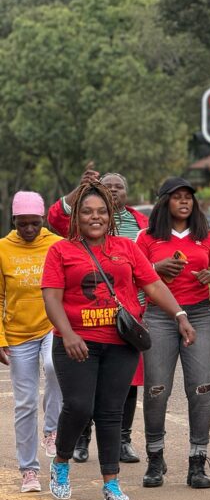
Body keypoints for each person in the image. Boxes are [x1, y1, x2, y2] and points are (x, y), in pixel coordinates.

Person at [41, 181, 195, 500]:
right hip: (76, 343)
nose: (94, 217)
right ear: (76, 217)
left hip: (121, 342)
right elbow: (52, 298)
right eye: (87, 212)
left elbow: (152, 286)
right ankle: (61, 461)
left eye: (101, 212)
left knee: (111, 412)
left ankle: (111, 483)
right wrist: (68, 333)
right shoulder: (60, 251)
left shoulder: (125, 248)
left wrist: (179, 314)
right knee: (79, 406)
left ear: (111, 216)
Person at [48, 165, 149, 464]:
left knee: (119, 398)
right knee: (81, 402)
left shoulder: (139, 223)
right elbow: (55, 216)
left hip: (126, 324)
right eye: (109, 185)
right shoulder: (67, 246)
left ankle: (117, 458)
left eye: (120, 186)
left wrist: (179, 314)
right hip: (81, 332)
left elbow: (149, 275)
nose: (115, 189)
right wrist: (79, 190)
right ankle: (77, 442)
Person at [136, 177, 210, 489]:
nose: (184, 202)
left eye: (188, 196)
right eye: (177, 197)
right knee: (157, 389)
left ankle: (197, 463)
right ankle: (154, 459)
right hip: (159, 317)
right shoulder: (147, 237)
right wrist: (156, 268)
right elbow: (129, 276)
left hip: (200, 315)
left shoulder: (207, 237)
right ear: (164, 202)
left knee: (201, 389)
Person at [0, 191, 63, 493]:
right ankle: (29, 470)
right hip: (18, 333)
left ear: (42, 221)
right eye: (22, 224)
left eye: (34, 223)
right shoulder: (2, 249)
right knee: (24, 403)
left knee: (54, 367)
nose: (28, 230)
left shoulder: (55, 245)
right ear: (13, 221)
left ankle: (51, 430)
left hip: (52, 326)